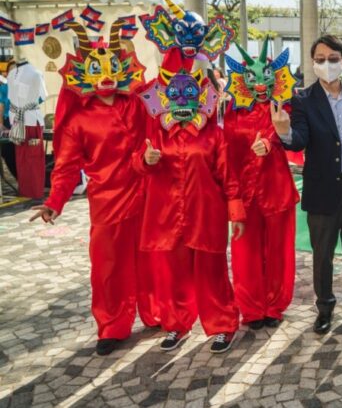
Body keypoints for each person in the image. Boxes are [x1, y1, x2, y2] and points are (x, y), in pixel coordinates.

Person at [29, 21, 158, 356]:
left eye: (111, 66)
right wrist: (54, 201)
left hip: (146, 192)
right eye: (95, 68)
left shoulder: (137, 103)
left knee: (152, 259)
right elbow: (67, 166)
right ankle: (112, 325)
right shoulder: (78, 120)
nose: (104, 76)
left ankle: (157, 312)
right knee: (108, 267)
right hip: (106, 200)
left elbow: (164, 102)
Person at [135, 53, 245, 354]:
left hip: (205, 214)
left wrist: (236, 212)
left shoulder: (214, 135)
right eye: (176, 92)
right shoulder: (157, 132)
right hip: (167, 215)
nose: (183, 97)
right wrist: (146, 160)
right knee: (173, 275)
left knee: (213, 273)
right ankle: (176, 325)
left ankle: (223, 325)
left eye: (190, 92)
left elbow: (228, 176)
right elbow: (138, 164)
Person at [271, 35, 342, 335]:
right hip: (323, 186)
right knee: (323, 253)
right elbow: (300, 140)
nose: (325, 64)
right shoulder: (302, 99)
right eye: (319, 59)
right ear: (312, 63)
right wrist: (285, 131)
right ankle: (325, 308)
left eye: (332, 58)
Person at [223, 40, 299, 330]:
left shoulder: (285, 106)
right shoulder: (231, 111)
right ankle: (252, 309)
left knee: (280, 252)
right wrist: (233, 200)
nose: (259, 84)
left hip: (277, 191)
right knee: (245, 255)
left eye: (266, 77)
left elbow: (295, 138)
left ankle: (275, 305)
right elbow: (226, 155)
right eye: (252, 78)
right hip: (245, 194)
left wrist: (273, 140)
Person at [7, 57, 47, 199]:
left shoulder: (11, 74)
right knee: (35, 157)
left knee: (22, 157)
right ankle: (35, 191)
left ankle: (25, 190)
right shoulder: (36, 73)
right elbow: (43, 96)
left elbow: (10, 97)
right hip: (31, 118)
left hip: (17, 121)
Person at [0, 70, 17, 178]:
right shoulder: (4, 86)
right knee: (7, 152)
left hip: (16, 121)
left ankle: (21, 177)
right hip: (6, 120)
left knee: (10, 151)